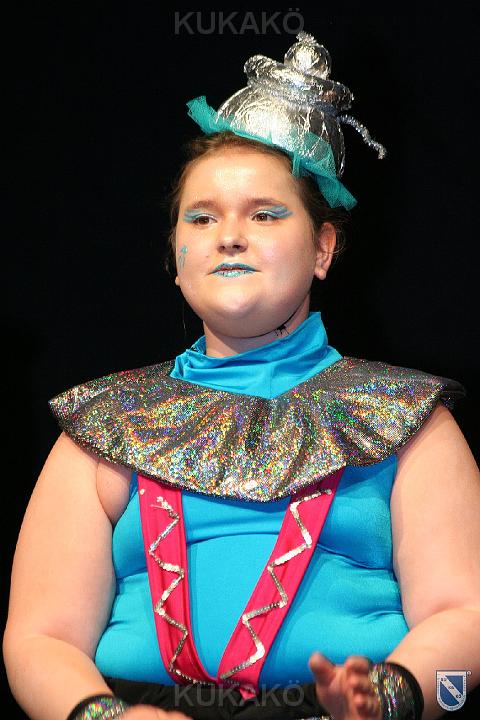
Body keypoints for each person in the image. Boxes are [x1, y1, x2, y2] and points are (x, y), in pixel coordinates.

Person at [3, 31, 480, 720]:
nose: (229, 235)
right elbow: (40, 637)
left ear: (323, 247)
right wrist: (105, 718)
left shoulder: (409, 419)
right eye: (201, 218)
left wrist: (390, 697)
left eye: (265, 213)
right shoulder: (104, 427)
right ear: (176, 255)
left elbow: (465, 620)